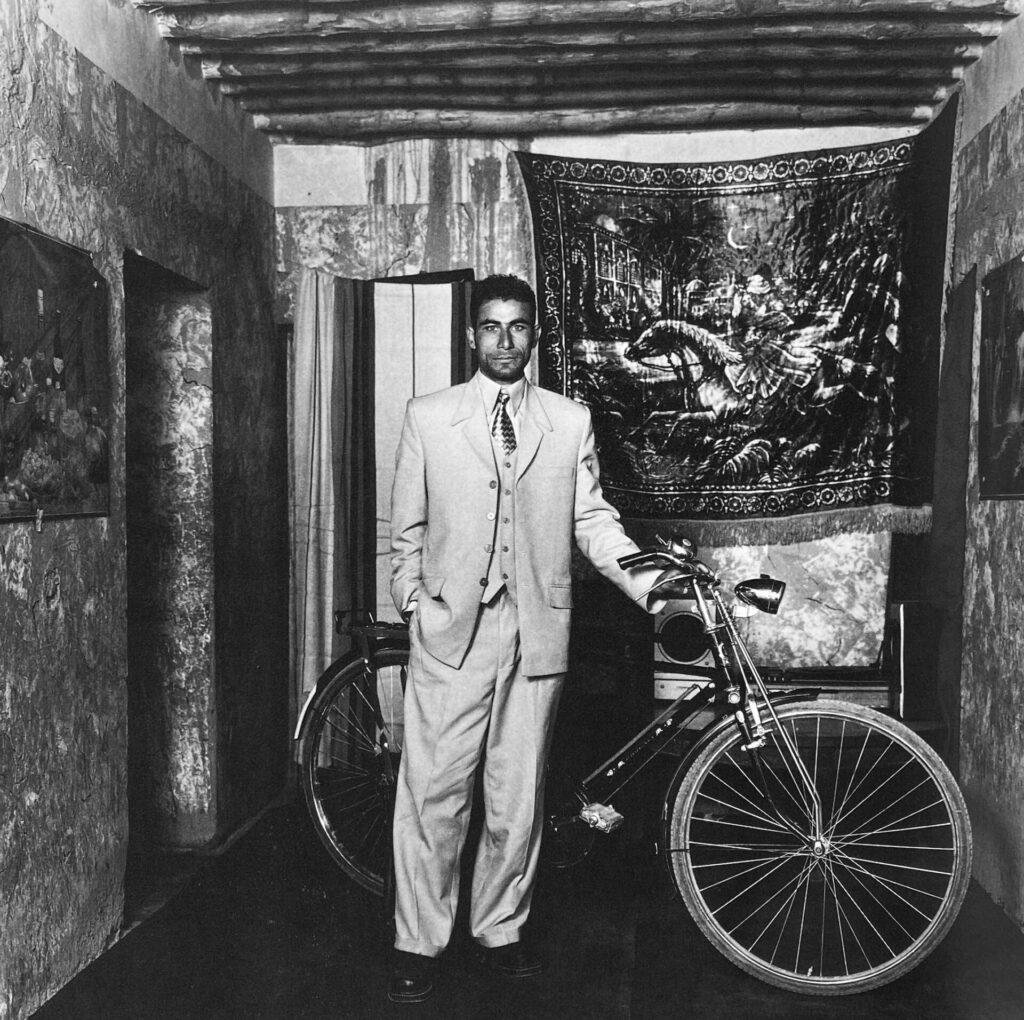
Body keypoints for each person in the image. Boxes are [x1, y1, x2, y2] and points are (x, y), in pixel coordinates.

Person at [387, 274, 668, 1004]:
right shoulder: (429, 416)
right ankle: (418, 941)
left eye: (517, 326)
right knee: (434, 792)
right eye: (491, 326)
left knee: (517, 796)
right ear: (471, 336)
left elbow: (592, 521)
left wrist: (652, 585)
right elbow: (405, 533)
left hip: (537, 630)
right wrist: (415, 603)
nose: (504, 340)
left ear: (535, 335)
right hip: (451, 632)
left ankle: (500, 928)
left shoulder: (567, 421)